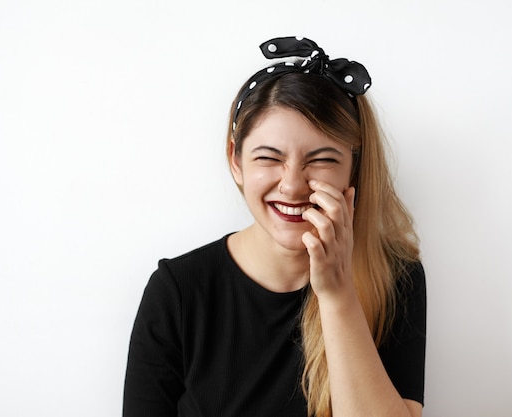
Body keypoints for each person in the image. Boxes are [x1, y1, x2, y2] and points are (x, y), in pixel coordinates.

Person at [123, 36, 426, 417]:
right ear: (236, 160)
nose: (292, 185)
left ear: (355, 170)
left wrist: (337, 294)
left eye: (321, 160)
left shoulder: (396, 277)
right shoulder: (178, 291)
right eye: (269, 157)